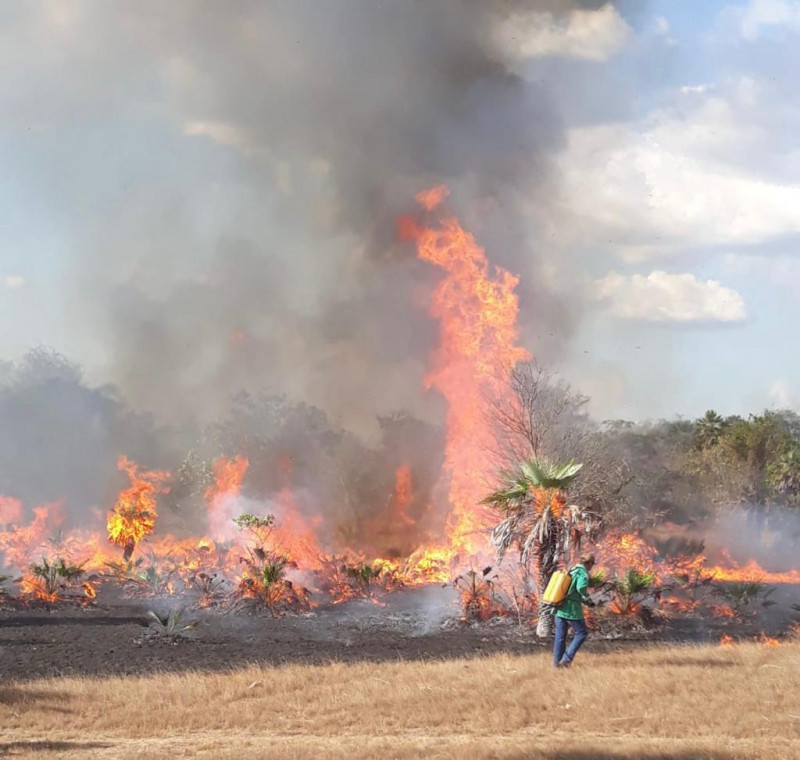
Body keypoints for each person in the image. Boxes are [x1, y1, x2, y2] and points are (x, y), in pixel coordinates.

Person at [553, 553, 596, 669]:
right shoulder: (582, 573)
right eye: (592, 564)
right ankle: (566, 660)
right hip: (571, 610)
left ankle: (557, 665)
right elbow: (580, 588)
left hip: (559, 607)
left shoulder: (572, 570)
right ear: (589, 563)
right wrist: (588, 599)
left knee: (560, 636)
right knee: (582, 633)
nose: (592, 567)